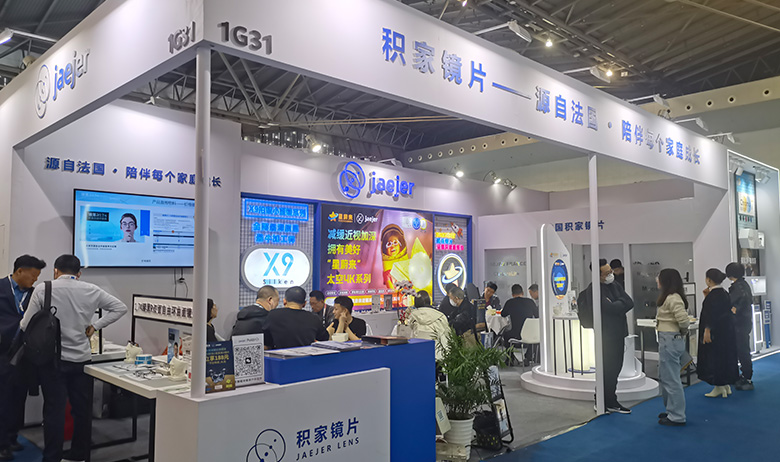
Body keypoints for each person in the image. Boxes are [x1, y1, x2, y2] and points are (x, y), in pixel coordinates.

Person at [20, 254, 127, 462]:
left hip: (52, 361)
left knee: (54, 411)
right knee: (82, 411)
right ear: (79, 273)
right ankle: (79, 455)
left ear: (55, 270)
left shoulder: (43, 289)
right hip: (82, 360)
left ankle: (52, 457)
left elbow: (25, 325)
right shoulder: (92, 289)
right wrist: (95, 326)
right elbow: (120, 308)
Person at [0, 255, 46, 460]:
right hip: (3, 352)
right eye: (33, 275)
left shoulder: (35, 294)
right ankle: (1, 444)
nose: (35, 280)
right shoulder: (1, 288)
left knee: (19, 399)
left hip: (25, 354)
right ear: (19, 271)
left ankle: (12, 437)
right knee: (3, 399)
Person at [577, 258, 634, 414]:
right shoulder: (593, 290)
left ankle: (610, 400)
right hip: (605, 336)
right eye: (607, 272)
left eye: (611, 271)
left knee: (616, 368)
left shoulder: (615, 285)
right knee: (607, 369)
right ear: (598, 275)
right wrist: (619, 304)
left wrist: (616, 303)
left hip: (618, 333)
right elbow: (610, 308)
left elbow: (629, 302)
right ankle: (604, 400)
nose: (611, 274)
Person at [655, 269, 690, 427]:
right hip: (668, 339)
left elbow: (683, 321)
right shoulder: (670, 297)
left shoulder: (673, 298)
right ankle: (672, 410)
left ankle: (676, 415)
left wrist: (682, 331)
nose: (657, 281)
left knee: (671, 379)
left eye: (659, 278)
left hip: (670, 340)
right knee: (666, 377)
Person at [698, 268, 739, 398]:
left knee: (714, 358)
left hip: (714, 332)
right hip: (725, 332)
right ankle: (725, 385)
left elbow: (711, 314)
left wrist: (707, 330)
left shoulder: (713, 296)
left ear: (709, 280)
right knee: (723, 356)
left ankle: (719, 386)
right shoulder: (724, 293)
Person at [264, 286, 329, 349]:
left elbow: (266, 341)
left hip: (280, 356)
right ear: (304, 304)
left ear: (284, 301)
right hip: (306, 356)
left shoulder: (273, 315)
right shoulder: (314, 318)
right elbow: (324, 338)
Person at [726, 262, 754, 391]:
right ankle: (745, 375)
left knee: (742, 351)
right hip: (744, 322)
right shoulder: (743, 284)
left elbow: (741, 300)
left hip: (739, 323)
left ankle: (747, 377)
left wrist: (735, 309)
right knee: (742, 350)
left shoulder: (738, 287)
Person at [501, 284, 539, 365]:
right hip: (529, 334)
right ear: (523, 292)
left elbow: (503, 314)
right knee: (534, 336)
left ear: (512, 294)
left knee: (505, 334)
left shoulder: (509, 302)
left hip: (515, 334)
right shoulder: (530, 302)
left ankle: (510, 358)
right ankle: (528, 357)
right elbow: (537, 315)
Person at [407, 291, 450, 359]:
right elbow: (447, 336)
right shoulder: (440, 316)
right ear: (429, 301)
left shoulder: (412, 317)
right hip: (437, 356)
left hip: (417, 354)